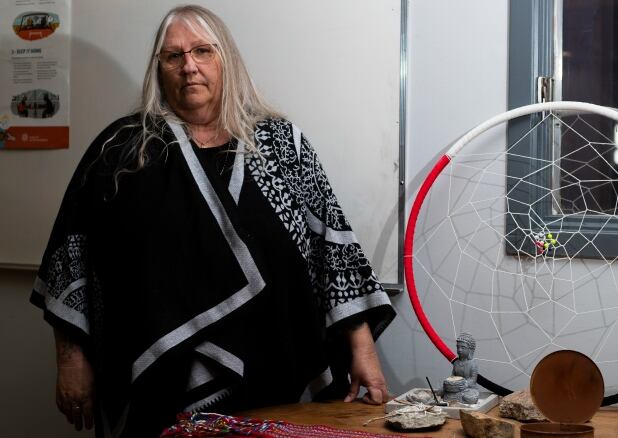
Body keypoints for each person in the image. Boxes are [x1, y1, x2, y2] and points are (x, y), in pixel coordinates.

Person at [30, 5, 395, 437]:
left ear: (227, 60)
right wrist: (71, 361)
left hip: (276, 374)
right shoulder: (122, 152)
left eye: (203, 51)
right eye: (173, 56)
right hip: (158, 385)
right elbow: (70, 258)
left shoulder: (283, 146)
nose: (189, 66)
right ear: (159, 68)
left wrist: (362, 348)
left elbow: (334, 254)